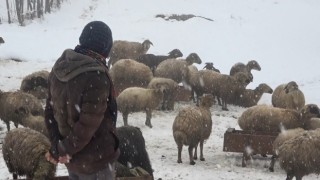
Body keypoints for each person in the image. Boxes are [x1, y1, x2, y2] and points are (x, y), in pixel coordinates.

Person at [44, 21, 120, 180]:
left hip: (73, 160)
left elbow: (50, 111)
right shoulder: (96, 76)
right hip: (96, 160)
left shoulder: (60, 67)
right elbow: (88, 124)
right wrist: (63, 149)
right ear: (105, 47)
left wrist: (59, 148)